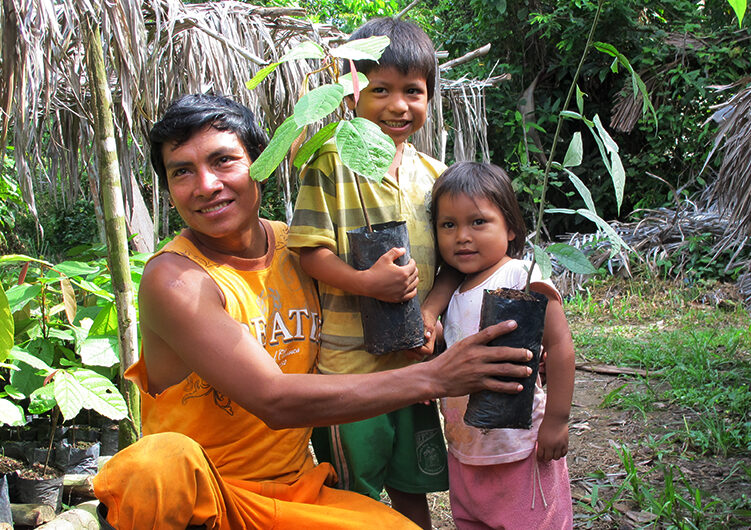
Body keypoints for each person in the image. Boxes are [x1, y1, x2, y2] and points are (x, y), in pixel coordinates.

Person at [92, 94, 535, 530]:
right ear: (169, 190)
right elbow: (273, 399)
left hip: (292, 494)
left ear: (260, 165)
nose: (206, 185)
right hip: (205, 501)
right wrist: (437, 377)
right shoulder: (175, 280)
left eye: (223, 161)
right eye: (182, 172)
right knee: (158, 462)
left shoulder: (302, 251)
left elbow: (457, 269)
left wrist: (512, 347)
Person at [287, 17, 458, 528]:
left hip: (414, 367)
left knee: (412, 487)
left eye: (413, 91)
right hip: (348, 371)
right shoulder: (330, 163)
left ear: (429, 98)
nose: (398, 105)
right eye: (380, 89)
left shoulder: (435, 176)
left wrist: (429, 313)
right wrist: (366, 284)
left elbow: (452, 265)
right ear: (350, 96)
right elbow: (308, 251)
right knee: (353, 497)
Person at [431, 162, 575, 529]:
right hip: (466, 449)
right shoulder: (452, 292)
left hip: (522, 448)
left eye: (478, 222)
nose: (462, 236)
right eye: (449, 225)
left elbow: (559, 347)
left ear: (510, 227)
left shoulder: (519, 276)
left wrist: (557, 421)